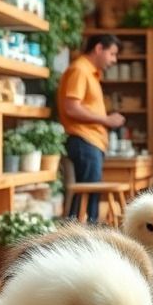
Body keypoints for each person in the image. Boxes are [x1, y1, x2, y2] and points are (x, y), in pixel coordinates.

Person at [57, 34, 125, 222]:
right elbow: (71, 107)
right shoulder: (80, 70)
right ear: (98, 48)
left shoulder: (89, 73)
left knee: (89, 198)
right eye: (112, 54)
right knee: (86, 199)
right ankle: (82, 242)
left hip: (90, 143)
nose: (114, 60)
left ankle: (83, 240)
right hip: (84, 141)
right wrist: (106, 120)